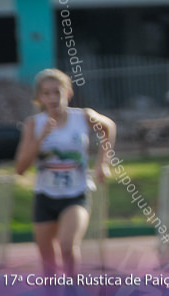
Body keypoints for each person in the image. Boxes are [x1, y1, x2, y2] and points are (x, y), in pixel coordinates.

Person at [14, 68, 115, 276]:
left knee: (67, 246)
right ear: (39, 97)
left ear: (68, 93)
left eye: (57, 92)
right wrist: (40, 138)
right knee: (47, 259)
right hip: (45, 196)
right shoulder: (34, 124)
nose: (52, 98)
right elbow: (20, 168)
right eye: (46, 93)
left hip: (75, 195)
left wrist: (102, 162)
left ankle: (72, 289)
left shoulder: (84, 117)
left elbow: (109, 127)